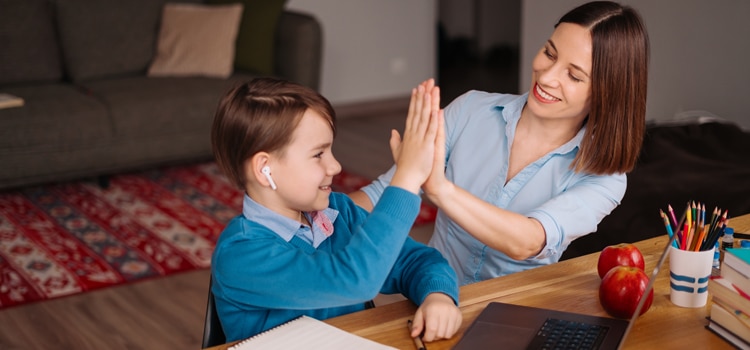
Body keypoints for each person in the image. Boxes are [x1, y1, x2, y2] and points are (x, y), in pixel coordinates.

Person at [350, 1, 649, 285]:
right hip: (432, 293)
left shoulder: (604, 178)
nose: (546, 77)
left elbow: (527, 241)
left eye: (573, 75)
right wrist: (317, 219)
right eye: (549, 53)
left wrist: (440, 190)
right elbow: (383, 193)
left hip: (516, 315)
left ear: (606, 94)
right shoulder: (470, 110)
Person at [209, 77, 462, 343]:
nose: (336, 166)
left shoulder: (340, 213)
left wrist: (438, 296)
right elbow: (354, 279)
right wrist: (406, 179)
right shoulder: (240, 254)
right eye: (318, 154)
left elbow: (416, 261)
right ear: (265, 169)